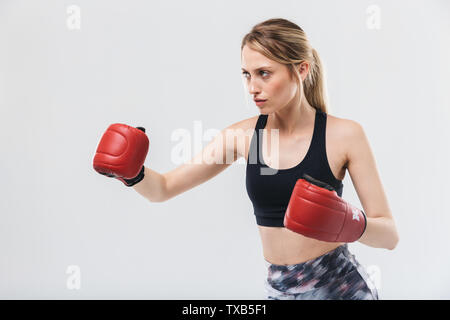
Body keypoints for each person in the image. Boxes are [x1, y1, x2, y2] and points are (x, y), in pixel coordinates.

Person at [93, 18, 399, 300]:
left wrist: (349, 223)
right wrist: (133, 172)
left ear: (302, 70)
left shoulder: (344, 135)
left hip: (340, 289)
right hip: (278, 290)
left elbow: (389, 236)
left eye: (264, 73)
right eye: (246, 75)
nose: (253, 87)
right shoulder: (243, 137)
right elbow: (163, 189)